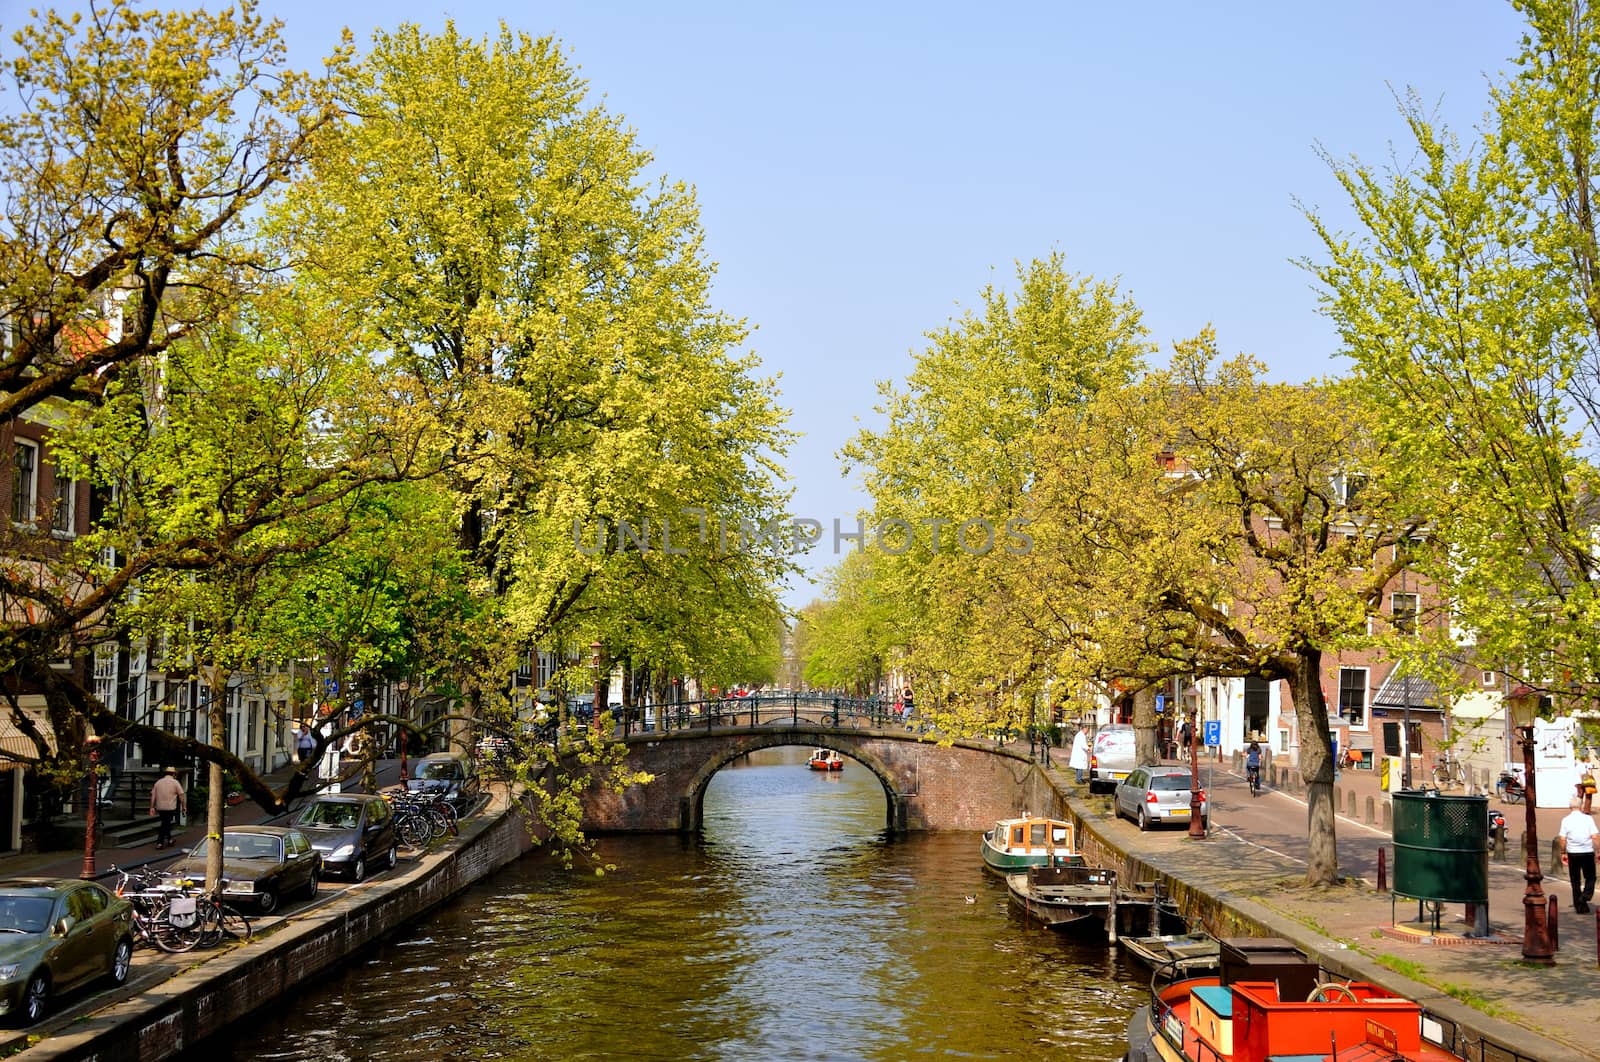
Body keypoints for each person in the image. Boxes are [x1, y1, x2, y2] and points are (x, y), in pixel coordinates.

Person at [1557, 795, 1599, 913]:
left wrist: (1563, 852)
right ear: (1580, 806)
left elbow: (1563, 839)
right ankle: (1585, 896)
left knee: (1575, 880)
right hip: (1587, 852)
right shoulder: (1588, 819)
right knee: (1590, 877)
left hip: (1573, 852)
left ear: (1570, 807)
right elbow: (1595, 836)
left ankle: (1579, 905)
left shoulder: (1565, 820)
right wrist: (1598, 850)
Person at [148, 767, 186, 850]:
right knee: (165, 824)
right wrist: (183, 806)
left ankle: (170, 839)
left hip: (160, 807)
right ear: (173, 774)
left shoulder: (158, 782)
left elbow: (153, 796)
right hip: (170, 807)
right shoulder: (175, 782)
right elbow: (181, 795)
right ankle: (159, 842)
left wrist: (152, 807)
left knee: (166, 823)